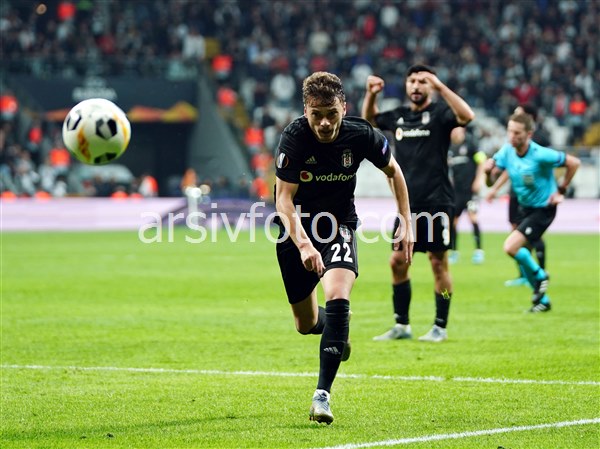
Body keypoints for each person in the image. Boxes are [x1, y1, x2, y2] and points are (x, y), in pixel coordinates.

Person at [274, 71, 413, 424]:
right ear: (305, 111)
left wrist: (406, 220)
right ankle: (337, 325)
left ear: (344, 108)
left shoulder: (361, 134)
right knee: (305, 323)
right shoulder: (294, 138)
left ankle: (322, 396)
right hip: (297, 230)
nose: (324, 123)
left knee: (337, 296)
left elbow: (394, 171)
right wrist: (304, 245)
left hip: (339, 226)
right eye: (316, 115)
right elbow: (283, 201)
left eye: (331, 114)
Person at [362, 64, 475, 343]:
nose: (416, 85)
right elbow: (370, 120)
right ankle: (402, 324)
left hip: (437, 204)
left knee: (438, 264)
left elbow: (466, 116)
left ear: (430, 86)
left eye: (422, 81)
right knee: (397, 262)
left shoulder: (440, 114)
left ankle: (440, 325)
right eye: (412, 80)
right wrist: (372, 94)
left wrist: (440, 86)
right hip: (407, 207)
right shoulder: (399, 116)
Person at [484, 112, 580, 312]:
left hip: (543, 209)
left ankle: (541, 276)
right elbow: (490, 182)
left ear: (529, 134)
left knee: (510, 247)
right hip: (524, 208)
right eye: (510, 131)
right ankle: (542, 300)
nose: (512, 136)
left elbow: (574, 163)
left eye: (517, 133)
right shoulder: (506, 151)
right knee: (523, 256)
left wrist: (561, 189)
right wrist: (487, 173)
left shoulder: (540, 154)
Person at [504, 104, 551, 287]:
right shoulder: (512, 143)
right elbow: (508, 166)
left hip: (534, 196)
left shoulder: (539, 139)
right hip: (516, 192)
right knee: (516, 231)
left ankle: (539, 271)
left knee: (532, 235)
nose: (515, 116)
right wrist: (494, 188)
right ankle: (524, 274)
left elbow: (549, 165)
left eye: (519, 114)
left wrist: (556, 190)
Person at [447, 126, 486, 265]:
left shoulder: (471, 143)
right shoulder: (449, 147)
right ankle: (454, 252)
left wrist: (479, 180)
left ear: (462, 130)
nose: (454, 132)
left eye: (456, 129)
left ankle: (478, 251)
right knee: (453, 221)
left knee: (473, 217)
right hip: (456, 192)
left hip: (470, 191)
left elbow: (482, 162)